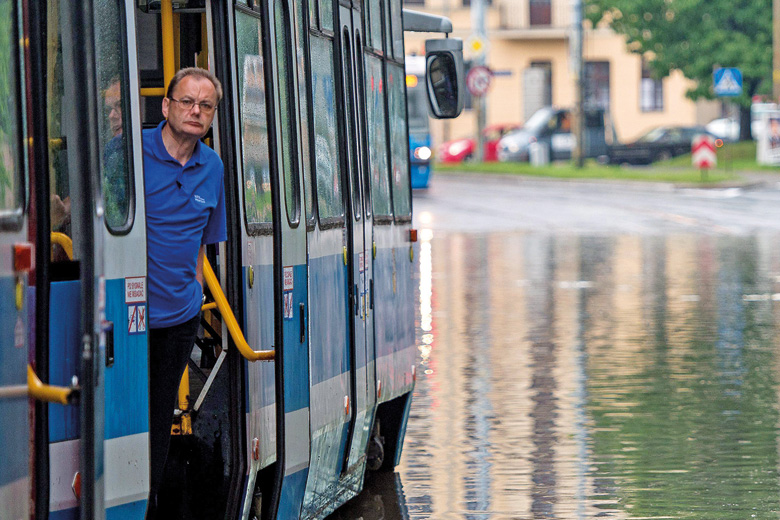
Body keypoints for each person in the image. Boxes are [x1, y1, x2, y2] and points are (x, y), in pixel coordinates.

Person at [144, 67, 226, 518]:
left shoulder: (212, 167)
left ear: (212, 117)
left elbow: (204, 241)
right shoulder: (131, 154)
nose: (195, 111)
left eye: (205, 105)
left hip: (178, 319)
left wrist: (194, 289)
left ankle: (149, 509)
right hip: (126, 315)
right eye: (187, 101)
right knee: (125, 417)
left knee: (159, 419)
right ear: (167, 107)